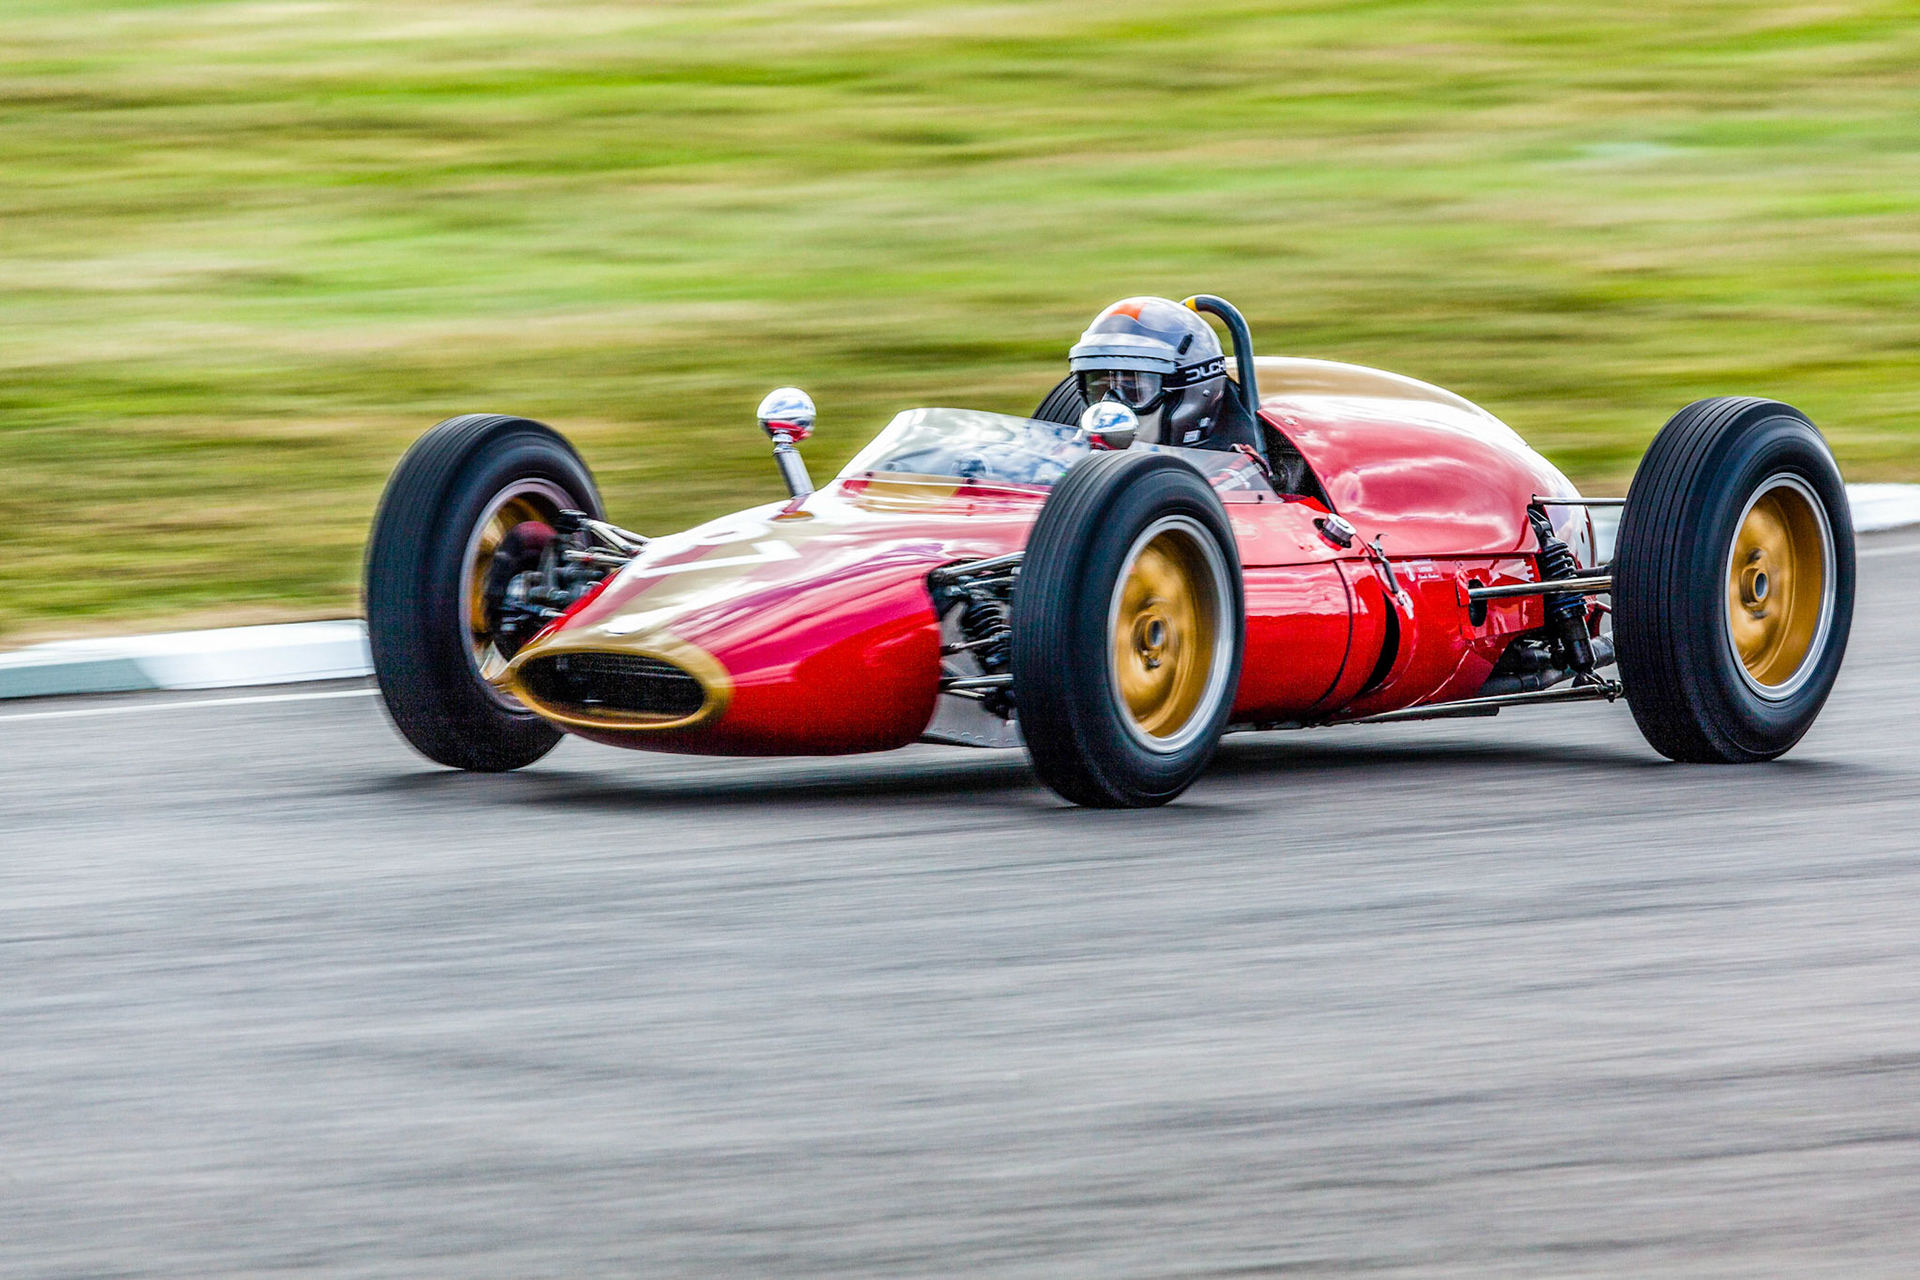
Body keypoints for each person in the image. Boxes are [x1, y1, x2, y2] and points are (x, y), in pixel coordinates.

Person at [1067, 296, 1249, 449]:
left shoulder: (1240, 466)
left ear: (1192, 395)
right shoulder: (1070, 452)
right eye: (1100, 387)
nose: (1110, 406)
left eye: (1133, 388)